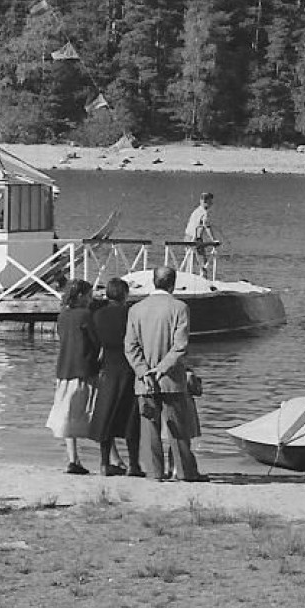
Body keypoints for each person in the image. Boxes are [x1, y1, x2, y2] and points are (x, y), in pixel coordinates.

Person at [124, 266, 205, 482]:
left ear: (153, 281)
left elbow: (130, 347)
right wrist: (161, 369)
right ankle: (185, 472)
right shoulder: (180, 308)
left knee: (149, 428)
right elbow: (180, 346)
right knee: (178, 429)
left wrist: (143, 371)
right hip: (171, 378)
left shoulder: (136, 309)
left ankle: (154, 472)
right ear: (173, 283)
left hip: (144, 381)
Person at [46, 279, 101, 475]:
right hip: (83, 368)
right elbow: (96, 341)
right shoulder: (85, 315)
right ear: (80, 296)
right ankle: (110, 458)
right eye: (89, 295)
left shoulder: (63, 316)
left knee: (68, 414)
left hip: (64, 368)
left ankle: (73, 458)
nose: (91, 299)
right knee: (92, 412)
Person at [89, 278, 141, 477]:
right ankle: (134, 464)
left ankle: (104, 463)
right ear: (125, 295)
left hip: (108, 366)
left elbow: (95, 342)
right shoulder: (129, 314)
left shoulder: (98, 315)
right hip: (128, 367)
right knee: (130, 418)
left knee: (105, 415)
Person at [185, 192, 219, 272]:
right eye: (210, 202)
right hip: (195, 239)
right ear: (205, 202)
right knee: (202, 261)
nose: (212, 204)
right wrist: (213, 240)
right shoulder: (204, 213)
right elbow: (207, 227)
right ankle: (204, 278)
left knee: (189, 260)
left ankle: (187, 275)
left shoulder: (196, 210)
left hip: (187, 237)